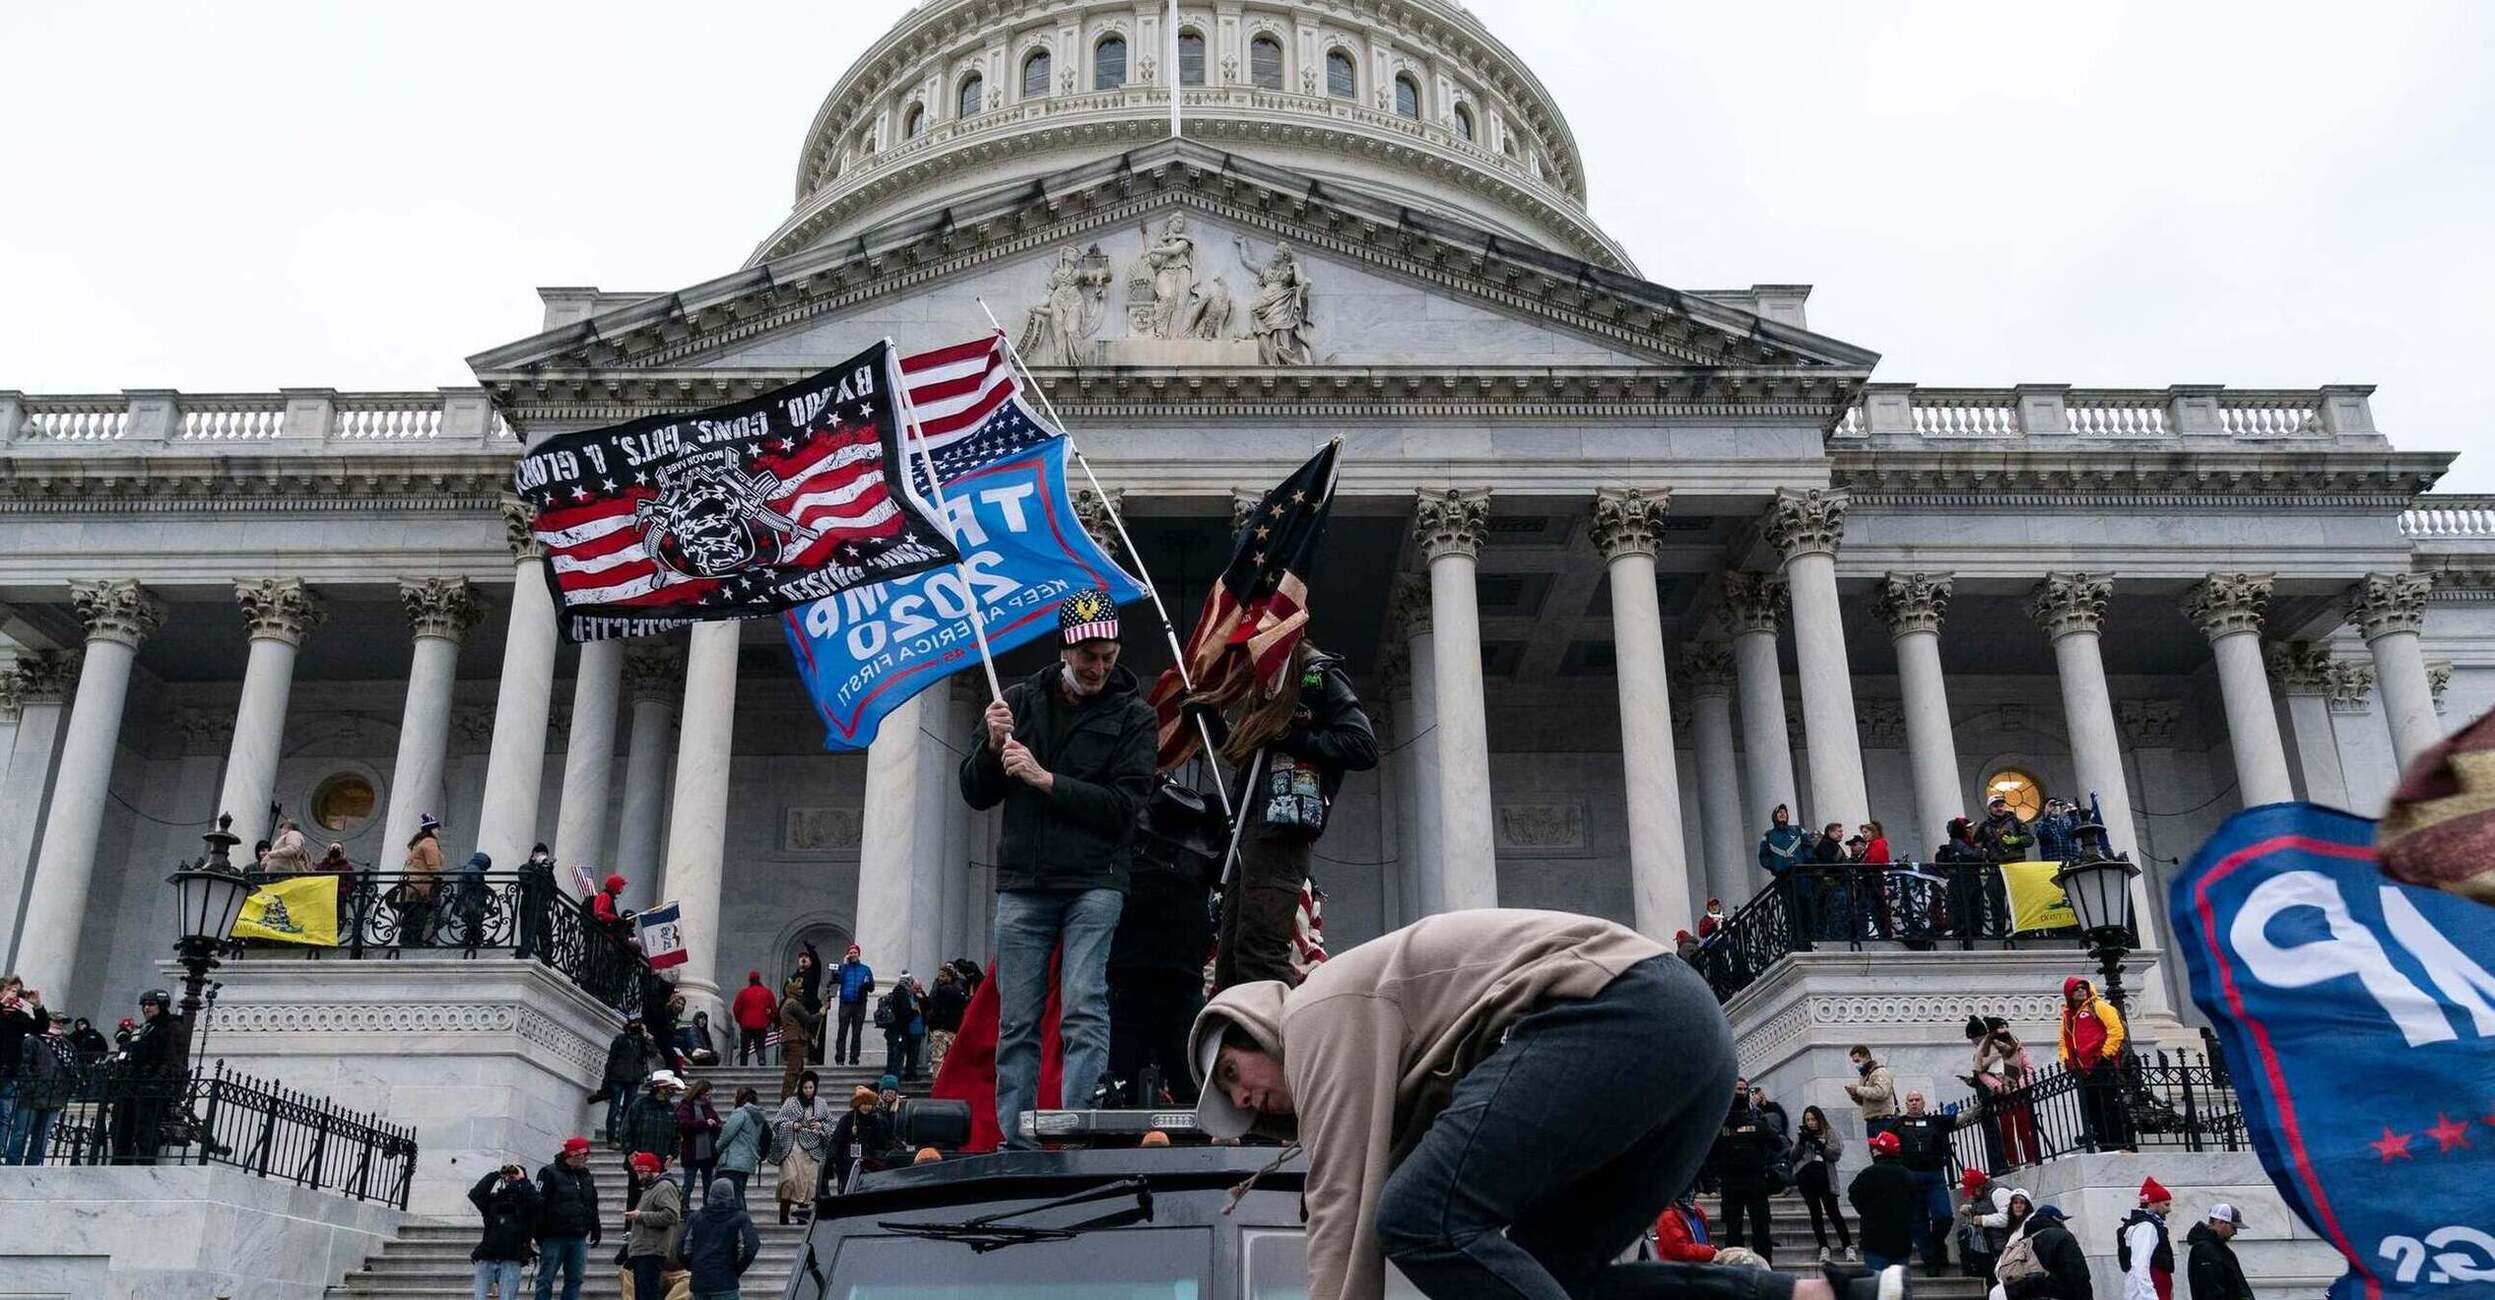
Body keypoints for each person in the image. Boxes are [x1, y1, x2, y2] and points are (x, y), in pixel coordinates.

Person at [1188, 908, 1907, 1300]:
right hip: (1689, 1042)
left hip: (1625, 1010)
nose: (1244, 1098)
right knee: (1547, 1272)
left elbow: (1344, 1207)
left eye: (1231, 1073)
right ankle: (1817, 1297)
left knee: (1417, 1218)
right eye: (1235, 1103)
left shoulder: (1316, 1011)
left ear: (1255, 1026)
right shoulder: (1372, 1053)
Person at [961, 589, 1157, 1148]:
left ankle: (1077, 1133)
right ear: (1065, 650)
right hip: (1025, 882)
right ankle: (1016, 1142)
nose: (1099, 667)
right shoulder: (1018, 703)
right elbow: (975, 792)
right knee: (1017, 1021)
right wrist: (991, 747)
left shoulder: (1135, 716)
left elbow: (1125, 806)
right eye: (1088, 656)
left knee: (1083, 1005)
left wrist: (1045, 780)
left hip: (1095, 880)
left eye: (1108, 655)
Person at [1207, 639, 1377, 989]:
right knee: (1231, 961)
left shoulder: (1317, 674)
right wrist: (1211, 721)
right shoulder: (1267, 685)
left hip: (1282, 832)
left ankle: (1282, 1024)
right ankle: (1242, 1023)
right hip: (1249, 832)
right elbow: (1246, 755)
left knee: (1259, 954)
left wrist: (1289, 736)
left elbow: (1362, 745)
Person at [2057, 975, 2130, 1152]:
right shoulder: (2068, 1016)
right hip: (2082, 1069)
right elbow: (2064, 1041)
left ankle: (2121, 1143)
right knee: (2093, 1109)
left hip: (2101, 1064)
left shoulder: (2099, 1006)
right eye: (2076, 989)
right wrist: (2066, 1060)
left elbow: (2116, 1031)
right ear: (2069, 993)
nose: (2081, 991)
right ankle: (2104, 1144)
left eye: (2083, 988)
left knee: (2110, 1105)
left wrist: (2105, 1054)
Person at [107, 988, 179, 1164]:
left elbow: (170, 1059)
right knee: (119, 1127)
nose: (147, 1008)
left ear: (162, 1005)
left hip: (150, 1088)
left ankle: (144, 1164)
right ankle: (119, 1163)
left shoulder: (170, 1028)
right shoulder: (142, 1029)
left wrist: (155, 1082)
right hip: (130, 1085)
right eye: (144, 1005)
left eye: (151, 1004)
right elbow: (130, 1053)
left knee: (145, 1130)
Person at [1711, 1089, 1777, 1265]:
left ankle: (1739, 1269)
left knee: (1738, 1229)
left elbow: (1711, 1155)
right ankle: (1762, 1266)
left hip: (1737, 1182)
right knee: (1756, 1228)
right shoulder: (1757, 1125)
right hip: (1749, 1182)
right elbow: (1778, 1144)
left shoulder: (1722, 1128)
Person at [531, 1136, 600, 1300]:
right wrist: (538, 1233)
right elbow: (538, 1204)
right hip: (554, 1237)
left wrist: (595, 1226)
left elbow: (591, 1202)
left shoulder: (585, 1175)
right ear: (575, 1155)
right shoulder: (549, 1173)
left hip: (578, 1237)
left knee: (575, 1279)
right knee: (546, 1279)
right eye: (584, 1155)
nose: (587, 1159)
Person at [1893, 1092, 1954, 1275]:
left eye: (1917, 1100)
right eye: (1910, 1100)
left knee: (1944, 1216)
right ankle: (1931, 1261)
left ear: (1923, 1102)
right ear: (1906, 1104)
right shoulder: (1897, 1125)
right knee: (1918, 1223)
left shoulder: (1935, 1122)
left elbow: (1961, 1118)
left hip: (1934, 1175)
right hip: (1910, 1177)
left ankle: (1937, 1243)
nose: (1914, 1103)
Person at [1968, 1015, 2039, 1167]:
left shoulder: (2016, 1045)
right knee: (2007, 1131)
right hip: (2002, 1095)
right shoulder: (1985, 1050)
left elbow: (2028, 1067)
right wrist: (1998, 1087)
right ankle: (2013, 1162)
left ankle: (2031, 1158)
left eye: (2006, 1026)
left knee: (2025, 1127)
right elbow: (1982, 1073)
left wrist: (2021, 1083)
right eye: (2001, 1027)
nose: (2005, 1030)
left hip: (2020, 1092)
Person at [770, 1071, 836, 1225]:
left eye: (811, 1087)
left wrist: (820, 1126)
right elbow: (777, 1122)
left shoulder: (821, 1104)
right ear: (800, 1088)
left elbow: (831, 1126)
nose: (808, 1091)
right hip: (792, 1146)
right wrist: (792, 1124)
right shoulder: (791, 1102)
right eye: (805, 1088)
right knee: (789, 1179)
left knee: (808, 1181)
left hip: (813, 1149)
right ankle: (783, 1216)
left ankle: (802, 1216)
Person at [681, 1176, 762, 1300]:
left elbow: (683, 1248)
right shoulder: (740, 1218)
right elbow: (749, 1248)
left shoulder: (696, 1217)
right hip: (726, 1281)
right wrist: (736, 1270)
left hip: (699, 1281)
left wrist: (695, 1267)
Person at [467, 1160, 539, 1300]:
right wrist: (496, 1174)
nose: (511, 1178)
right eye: (509, 1176)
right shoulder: (494, 1201)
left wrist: (522, 1179)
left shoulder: (526, 1204)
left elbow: (538, 1202)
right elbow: (476, 1194)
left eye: (514, 1175)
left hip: (512, 1258)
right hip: (487, 1256)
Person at [6, 1017, 74, 1165]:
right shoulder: (32, 1041)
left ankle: (33, 1166)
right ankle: (12, 1166)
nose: (59, 1024)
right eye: (55, 1021)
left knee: (42, 1136)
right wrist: (30, 1086)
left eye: (62, 1022)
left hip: (56, 1096)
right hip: (32, 1096)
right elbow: (24, 1066)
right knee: (21, 1133)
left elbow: (72, 1070)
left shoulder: (67, 1045)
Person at [1792, 1105, 1854, 1263]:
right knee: (1815, 1213)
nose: (1811, 1123)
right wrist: (1801, 1142)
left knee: (1833, 1211)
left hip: (1825, 1177)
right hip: (1807, 1178)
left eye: (1813, 1119)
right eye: (1808, 1120)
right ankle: (1823, 1246)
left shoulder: (1829, 1132)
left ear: (1819, 1119)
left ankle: (1847, 1245)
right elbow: (1793, 1156)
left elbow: (1836, 1153)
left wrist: (1820, 1145)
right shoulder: (1802, 1135)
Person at [1847, 1130, 1916, 1273]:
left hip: (1874, 1240)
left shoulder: (1868, 1174)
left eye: (1875, 1148)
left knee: (1876, 1282)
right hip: (1902, 1240)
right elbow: (1915, 1201)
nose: (1873, 1151)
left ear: (1879, 1152)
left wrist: (1866, 1212)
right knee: (1899, 1283)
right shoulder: (1907, 1174)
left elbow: (1854, 1194)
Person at [622, 1150, 684, 1300]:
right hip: (642, 1250)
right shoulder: (650, 1188)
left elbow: (672, 1216)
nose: (638, 1176)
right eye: (636, 1172)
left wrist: (640, 1216)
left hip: (652, 1251)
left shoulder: (664, 1187)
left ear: (650, 1170)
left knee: (648, 1294)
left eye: (641, 1172)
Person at [0, 977, 48, 1159]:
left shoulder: (19, 1017)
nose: (13, 994)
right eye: (9, 989)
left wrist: (37, 1006)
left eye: (16, 991)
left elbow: (41, 1027)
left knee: (4, 1116)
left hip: (9, 1073)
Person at [2004, 1204, 2090, 1300]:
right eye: (2062, 1220)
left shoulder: (2021, 1242)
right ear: (2056, 1219)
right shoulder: (2061, 1237)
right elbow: (2077, 1275)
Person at [600, 1015, 659, 1150]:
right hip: (618, 1077)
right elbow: (611, 1060)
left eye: (638, 1023)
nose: (636, 1026)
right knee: (614, 1108)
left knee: (628, 1109)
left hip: (634, 1078)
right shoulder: (620, 1039)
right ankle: (611, 1138)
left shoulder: (642, 1041)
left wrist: (645, 1036)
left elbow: (652, 1053)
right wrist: (606, 1080)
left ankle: (623, 1137)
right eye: (634, 1023)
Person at [827, 1084, 898, 1192]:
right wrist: (834, 1160)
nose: (866, 1107)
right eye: (863, 1104)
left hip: (870, 1164)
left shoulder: (877, 1119)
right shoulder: (847, 1119)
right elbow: (837, 1141)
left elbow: (884, 1141)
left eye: (869, 1104)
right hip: (848, 1164)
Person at [713, 1086, 768, 1210]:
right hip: (747, 1161)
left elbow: (726, 1135)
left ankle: (741, 1219)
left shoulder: (740, 1113)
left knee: (734, 1195)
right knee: (739, 1193)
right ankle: (741, 1218)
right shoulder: (757, 1117)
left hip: (733, 1160)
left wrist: (716, 1148)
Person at [2121, 1178, 2177, 1300]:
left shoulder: (2144, 1225)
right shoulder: (2146, 1227)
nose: (2169, 1210)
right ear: (2151, 1204)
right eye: (2166, 1204)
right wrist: (2150, 1296)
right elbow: (2140, 1265)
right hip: (2151, 1292)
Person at [2184, 1204, 2252, 1300]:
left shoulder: (2218, 1248)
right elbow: (2211, 1291)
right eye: (2233, 1227)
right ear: (2219, 1222)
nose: (2235, 1232)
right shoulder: (2205, 1250)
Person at [1953, 1168, 2009, 1282]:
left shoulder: (1999, 1193)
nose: (1972, 1194)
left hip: (2004, 1245)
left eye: (1973, 1190)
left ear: (1980, 1186)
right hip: (1991, 1246)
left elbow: (2007, 1218)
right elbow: (1986, 1208)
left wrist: (1983, 1220)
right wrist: (1970, 1209)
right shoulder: (1980, 1195)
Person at [675, 1078, 724, 1199]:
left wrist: (715, 1126)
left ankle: (708, 1206)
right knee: (688, 1184)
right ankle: (684, 1206)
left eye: (709, 1095)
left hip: (708, 1153)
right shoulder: (686, 1107)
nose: (708, 1097)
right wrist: (705, 1124)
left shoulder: (708, 1107)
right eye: (706, 1094)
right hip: (692, 1152)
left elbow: (718, 1123)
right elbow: (684, 1125)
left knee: (708, 1185)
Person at [401, 813, 445, 946]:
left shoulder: (418, 842)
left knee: (410, 913)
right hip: (422, 886)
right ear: (431, 829)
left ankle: (406, 939)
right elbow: (433, 865)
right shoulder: (430, 842)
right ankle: (415, 940)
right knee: (420, 914)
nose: (438, 831)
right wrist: (439, 878)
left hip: (411, 885)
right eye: (436, 828)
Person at [620, 1071, 683, 1164]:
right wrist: (630, 1151)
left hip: (660, 1161)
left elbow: (677, 1134)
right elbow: (626, 1129)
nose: (672, 1092)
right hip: (638, 1159)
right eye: (670, 1088)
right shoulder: (640, 1104)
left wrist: (673, 1154)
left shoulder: (671, 1109)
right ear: (659, 1088)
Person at [923, 965, 968, 1080]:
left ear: (949, 977)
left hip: (940, 1028)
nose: (940, 979)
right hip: (953, 1028)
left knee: (938, 1058)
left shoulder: (940, 990)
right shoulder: (959, 991)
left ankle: (937, 1082)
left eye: (942, 976)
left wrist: (932, 1021)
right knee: (951, 1058)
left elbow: (934, 1008)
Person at [831, 944, 873, 1067]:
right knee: (842, 1031)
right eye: (851, 952)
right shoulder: (843, 968)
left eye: (855, 952)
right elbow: (838, 980)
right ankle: (840, 1058)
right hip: (845, 1003)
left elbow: (872, 987)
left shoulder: (866, 969)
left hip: (860, 1003)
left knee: (857, 1032)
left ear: (858, 954)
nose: (853, 954)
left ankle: (854, 1058)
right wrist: (844, 965)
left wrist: (867, 986)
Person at [1843, 1045, 1898, 1137]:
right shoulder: (1864, 1076)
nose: (1856, 1065)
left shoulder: (1880, 1072)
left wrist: (1857, 1089)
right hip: (1872, 1120)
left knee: (1884, 1146)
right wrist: (1854, 1095)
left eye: (1857, 1061)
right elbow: (1864, 1101)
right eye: (1854, 1062)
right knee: (1874, 1146)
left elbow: (1881, 1092)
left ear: (1866, 1057)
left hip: (1885, 1120)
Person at [515, 843, 557, 963]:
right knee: (527, 932)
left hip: (542, 907)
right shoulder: (525, 867)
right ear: (534, 854)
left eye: (545, 854)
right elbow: (527, 882)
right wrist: (538, 868)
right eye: (541, 853)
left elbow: (553, 889)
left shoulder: (546, 870)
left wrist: (549, 871)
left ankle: (547, 960)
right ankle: (524, 955)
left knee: (546, 935)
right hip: (529, 904)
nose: (543, 856)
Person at [1651, 1189, 1719, 1264]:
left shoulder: (1697, 1211)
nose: (1692, 1191)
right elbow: (1680, 1250)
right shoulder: (1668, 1217)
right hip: (1678, 1268)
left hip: (1699, 1264)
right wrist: (1710, 1252)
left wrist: (1711, 1251)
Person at [876, 973, 920, 1082]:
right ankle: (893, 1079)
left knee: (892, 1056)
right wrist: (915, 1013)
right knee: (897, 1057)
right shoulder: (902, 994)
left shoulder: (895, 993)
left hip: (891, 1030)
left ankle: (889, 1078)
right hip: (899, 1030)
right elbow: (905, 1013)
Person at [777, 978, 815, 1099]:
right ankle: (786, 1098)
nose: (802, 991)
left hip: (791, 1039)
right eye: (800, 989)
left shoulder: (787, 1003)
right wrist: (820, 1013)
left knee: (797, 1069)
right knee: (793, 1070)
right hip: (794, 1040)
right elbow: (808, 1019)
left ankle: (789, 1096)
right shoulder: (793, 1003)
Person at [730, 972, 775, 1066]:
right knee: (760, 1045)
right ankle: (761, 1059)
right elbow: (774, 1009)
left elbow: (736, 1009)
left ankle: (743, 1065)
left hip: (746, 1025)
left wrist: (740, 1020)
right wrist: (768, 1020)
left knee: (745, 1048)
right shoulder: (767, 992)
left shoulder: (743, 993)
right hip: (761, 1024)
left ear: (749, 980)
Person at [1976, 796, 2034, 863]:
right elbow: (1978, 845)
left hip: (2016, 862)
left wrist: (2017, 840)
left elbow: (2030, 840)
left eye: (2001, 806)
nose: (1999, 808)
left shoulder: (2015, 822)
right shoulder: (1984, 826)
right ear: (1989, 808)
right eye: (1995, 806)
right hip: (1996, 864)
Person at [1758, 804, 1808, 877]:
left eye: (1784, 812)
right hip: (1782, 877)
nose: (1783, 814)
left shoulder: (1798, 830)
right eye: (1780, 812)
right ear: (1775, 816)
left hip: (1801, 874)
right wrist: (1774, 867)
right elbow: (1763, 855)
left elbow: (1808, 847)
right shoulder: (1769, 835)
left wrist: (1803, 861)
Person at [590, 873, 633, 947]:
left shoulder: (608, 897)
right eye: (621, 886)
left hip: (606, 935)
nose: (622, 888)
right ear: (615, 886)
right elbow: (600, 914)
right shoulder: (605, 896)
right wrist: (615, 919)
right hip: (603, 935)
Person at [2033, 798, 2077, 863]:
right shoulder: (2040, 824)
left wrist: (2073, 815)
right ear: (2045, 809)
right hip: (2052, 863)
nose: (2054, 807)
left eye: (2057, 805)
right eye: (2051, 805)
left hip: (2072, 862)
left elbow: (2076, 832)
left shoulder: (2067, 822)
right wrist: (2047, 817)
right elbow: (2045, 835)